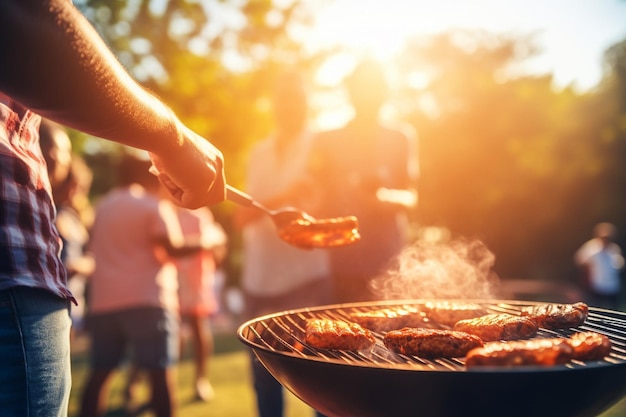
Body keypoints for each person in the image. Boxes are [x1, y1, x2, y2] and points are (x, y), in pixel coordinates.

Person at [0, 1, 224, 416]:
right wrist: (171, 138)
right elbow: (27, 17)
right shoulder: (152, 208)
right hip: (129, 297)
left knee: (100, 375)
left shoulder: (103, 208)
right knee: (160, 374)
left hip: (105, 304)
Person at [233, 70, 331, 417]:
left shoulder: (322, 145)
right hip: (258, 278)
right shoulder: (259, 151)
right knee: (264, 378)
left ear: (307, 103)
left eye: (297, 98)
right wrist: (286, 197)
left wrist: (269, 205)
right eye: (283, 99)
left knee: (320, 380)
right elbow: (241, 218)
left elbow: (322, 204)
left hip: (307, 277)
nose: (290, 106)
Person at [308, 58, 419, 303]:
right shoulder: (326, 140)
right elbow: (314, 193)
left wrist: (384, 199)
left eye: (375, 87)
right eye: (362, 87)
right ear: (350, 91)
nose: (369, 95)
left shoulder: (401, 137)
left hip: (390, 263)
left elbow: (410, 195)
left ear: (385, 92)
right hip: (341, 263)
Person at [40, 119, 95, 338]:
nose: (77, 193)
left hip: (74, 297)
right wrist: (84, 266)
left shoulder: (73, 217)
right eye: (74, 187)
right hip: (53, 299)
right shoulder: (53, 212)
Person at [574, 222, 624, 310]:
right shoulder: (591, 247)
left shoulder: (614, 248)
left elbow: (619, 265)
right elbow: (580, 260)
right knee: (598, 309)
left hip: (612, 286)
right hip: (597, 286)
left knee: (613, 310)